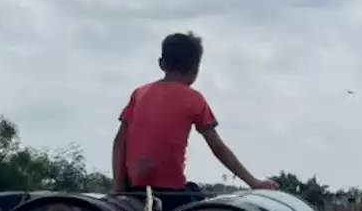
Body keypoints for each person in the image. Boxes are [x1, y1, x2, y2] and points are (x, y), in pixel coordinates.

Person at [112, 32, 277, 196]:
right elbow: (218, 148)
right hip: (171, 193)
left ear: (161, 64)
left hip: (133, 189)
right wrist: (253, 182)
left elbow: (120, 141)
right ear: (195, 69)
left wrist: (118, 188)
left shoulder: (139, 93)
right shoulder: (194, 99)